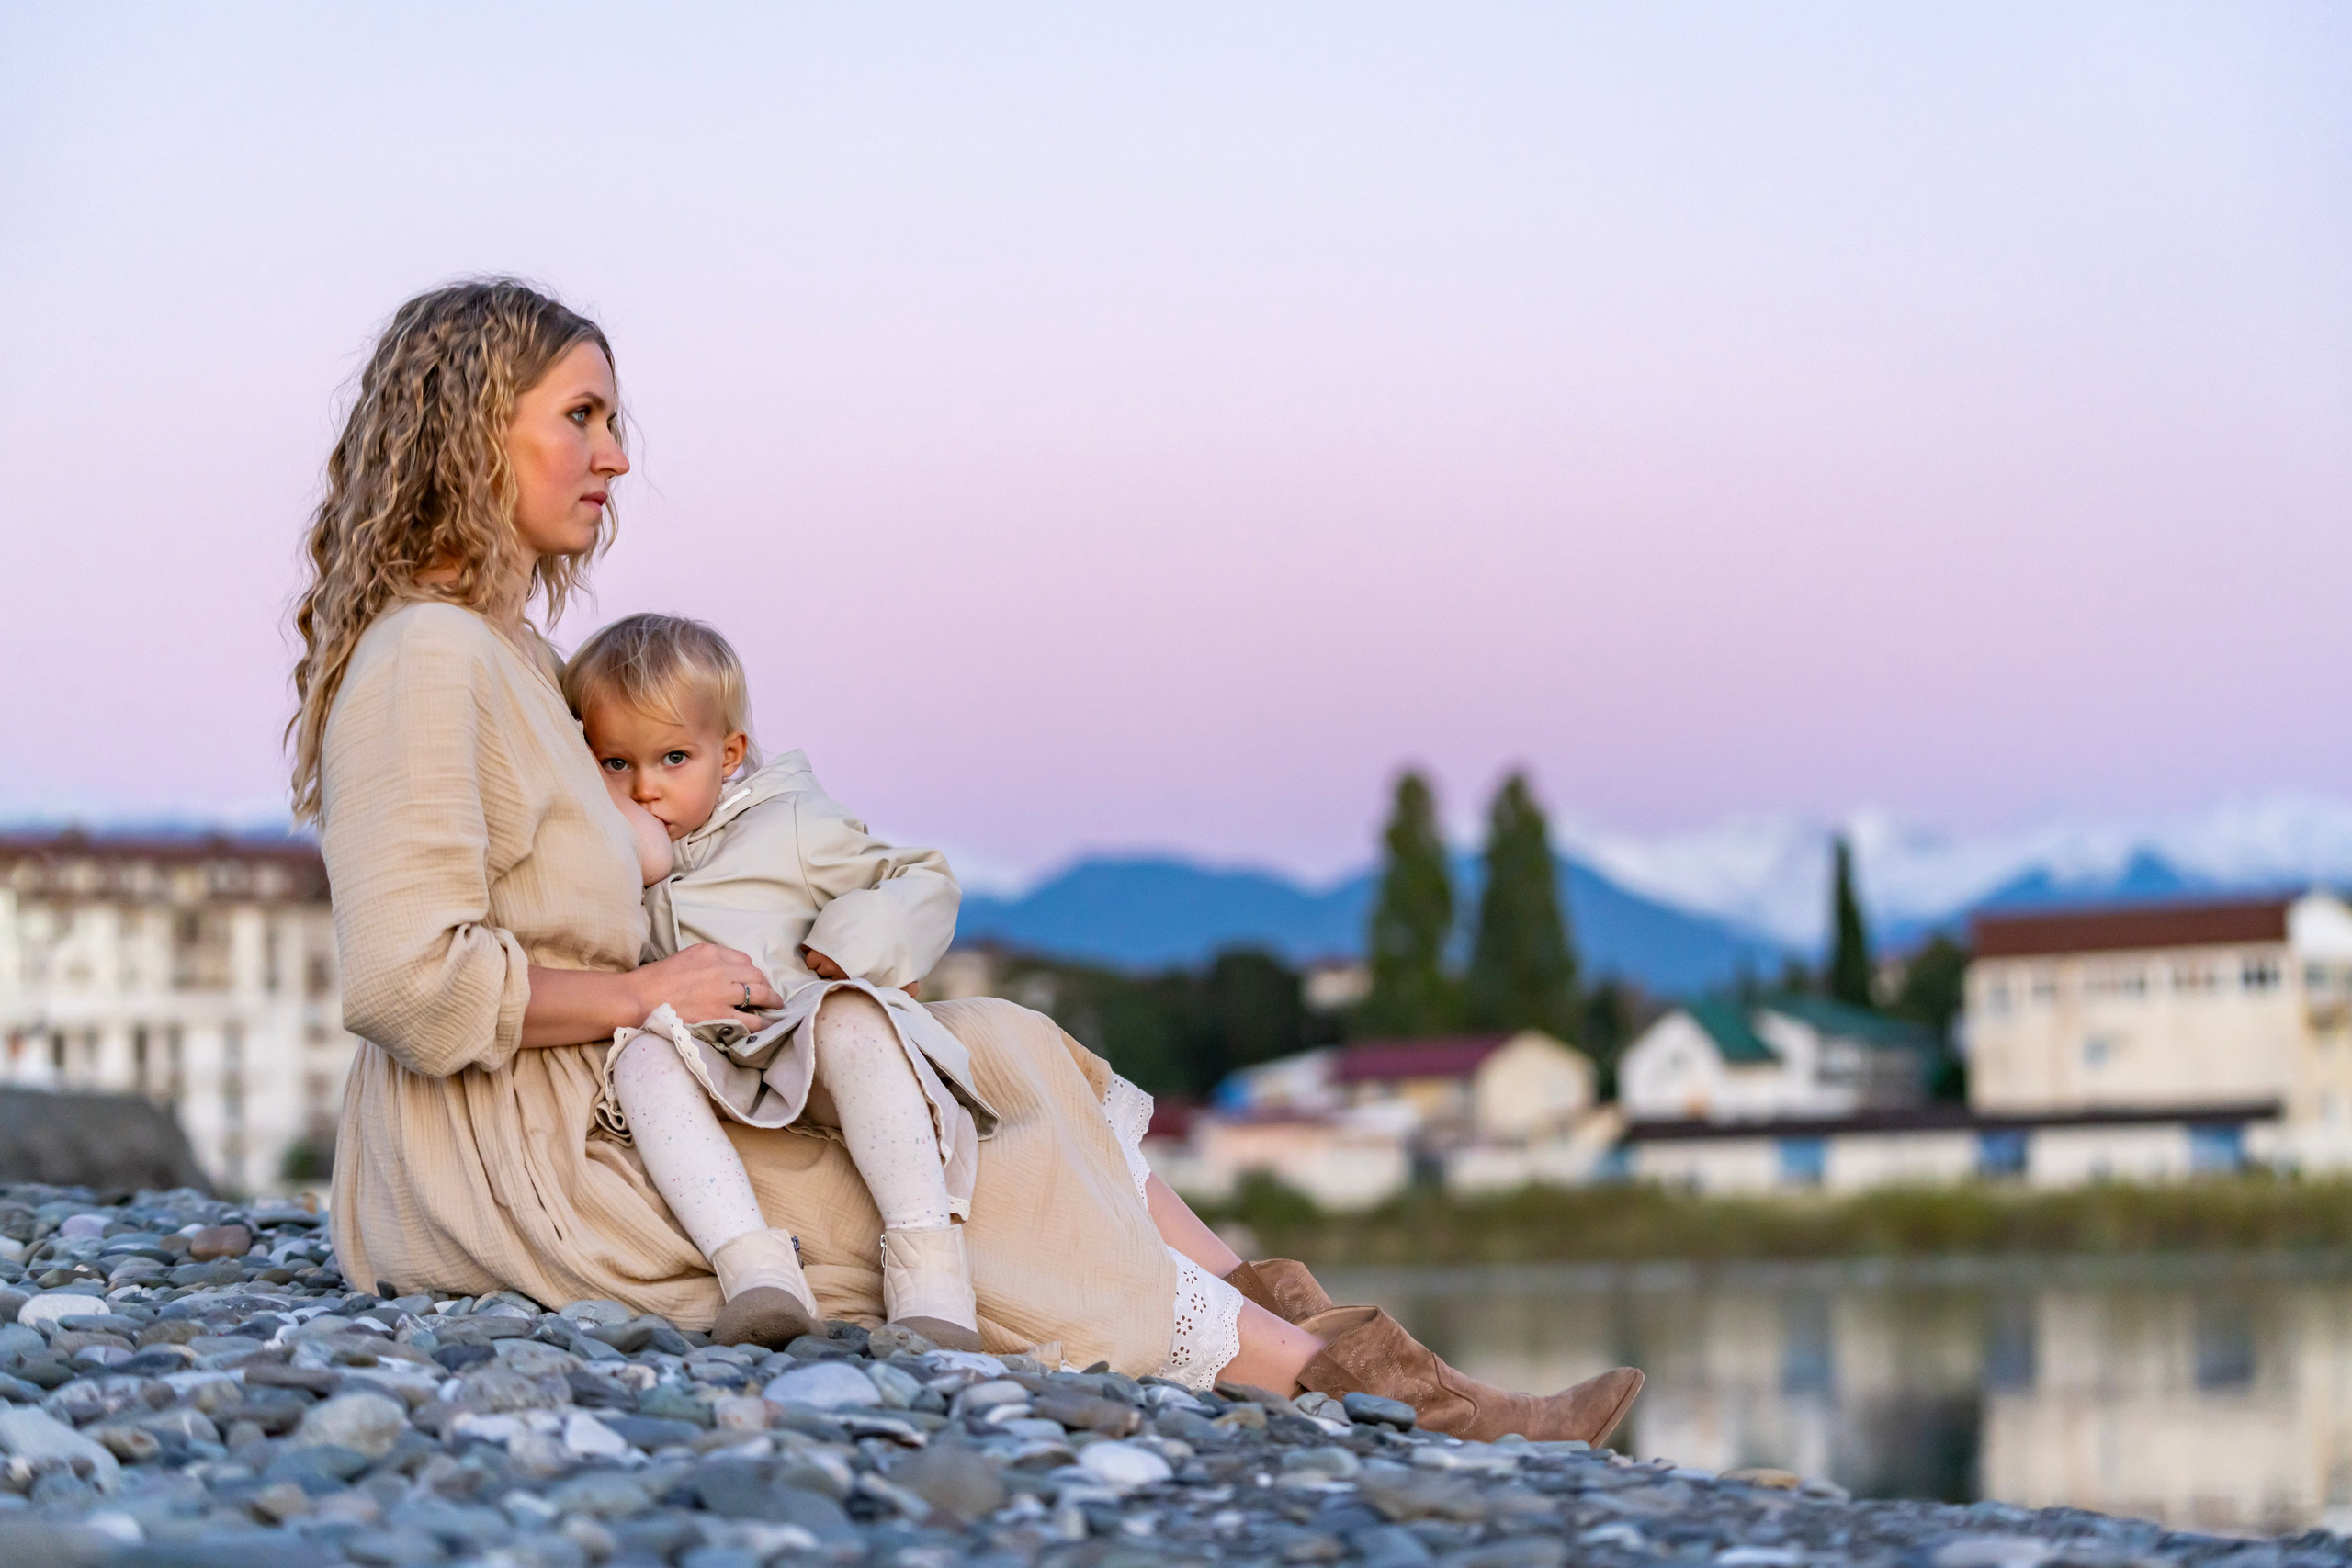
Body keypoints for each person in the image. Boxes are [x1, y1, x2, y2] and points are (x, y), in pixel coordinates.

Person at [291, 276, 1642, 1438]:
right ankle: (1382, 1404)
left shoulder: (520, 658)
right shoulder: (426, 656)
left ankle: (1329, 1335)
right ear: (476, 428)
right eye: (581, 417)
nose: (618, 455)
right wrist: (651, 996)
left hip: (621, 1074)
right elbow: (410, 981)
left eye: (612, 418)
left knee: (995, 1046)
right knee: (973, 1168)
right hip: (519, 1149)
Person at [560, 611, 993, 1353]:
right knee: (639, 1055)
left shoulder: (787, 821)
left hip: (805, 1042)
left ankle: (930, 1274)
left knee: (851, 1017)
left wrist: (856, 942)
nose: (645, 790)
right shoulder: (610, 852)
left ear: (728, 753)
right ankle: (757, 1273)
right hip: (709, 1057)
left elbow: (921, 877)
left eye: (672, 758)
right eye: (615, 764)